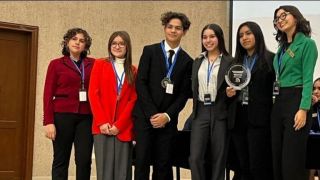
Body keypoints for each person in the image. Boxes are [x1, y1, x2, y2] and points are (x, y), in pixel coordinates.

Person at [133, 11, 193, 180]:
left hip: (168, 121)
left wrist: (166, 116)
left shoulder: (188, 61)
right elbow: (141, 83)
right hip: (145, 117)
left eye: (178, 28)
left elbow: (183, 94)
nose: (173, 31)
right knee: (142, 161)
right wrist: (153, 114)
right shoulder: (150, 51)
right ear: (164, 28)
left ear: (184, 32)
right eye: (170, 27)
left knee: (163, 164)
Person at [271, 5, 318, 180]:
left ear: (296, 18)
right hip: (279, 103)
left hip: (296, 101)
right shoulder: (281, 48)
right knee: (277, 156)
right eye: (277, 18)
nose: (280, 19)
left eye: (284, 15)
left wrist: (304, 108)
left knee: (292, 160)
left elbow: (308, 79)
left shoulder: (307, 44)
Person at [43, 28, 94, 180]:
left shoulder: (94, 64)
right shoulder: (56, 64)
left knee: (84, 160)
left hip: (86, 118)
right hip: (62, 117)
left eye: (82, 40)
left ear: (86, 46)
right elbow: (47, 94)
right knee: (61, 159)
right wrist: (48, 122)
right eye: (74, 39)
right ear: (66, 42)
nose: (77, 42)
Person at [226, 21, 275, 180]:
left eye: (248, 33)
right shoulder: (235, 62)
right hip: (238, 118)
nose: (244, 38)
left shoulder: (271, 59)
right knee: (242, 165)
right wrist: (229, 92)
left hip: (260, 120)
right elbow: (228, 89)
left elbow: (276, 90)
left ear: (257, 34)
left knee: (257, 165)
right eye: (240, 35)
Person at [89, 31, 137, 180]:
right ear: (109, 46)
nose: (117, 46)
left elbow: (133, 100)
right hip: (102, 126)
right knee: (104, 172)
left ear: (127, 47)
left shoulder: (133, 70)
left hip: (123, 128)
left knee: (123, 172)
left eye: (121, 43)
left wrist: (120, 125)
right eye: (114, 43)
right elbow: (93, 94)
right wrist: (102, 121)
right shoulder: (100, 64)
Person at [189, 23, 233, 180]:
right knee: (195, 158)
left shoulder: (230, 61)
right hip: (200, 111)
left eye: (212, 36)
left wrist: (232, 93)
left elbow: (237, 87)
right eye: (204, 37)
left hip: (220, 111)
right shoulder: (198, 61)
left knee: (219, 158)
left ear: (219, 38)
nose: (208, 40)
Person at [309, 78, 320, 180]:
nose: (316, 91)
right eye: (314, 88)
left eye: (319, 88)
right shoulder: (310, 105)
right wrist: (311, 105)